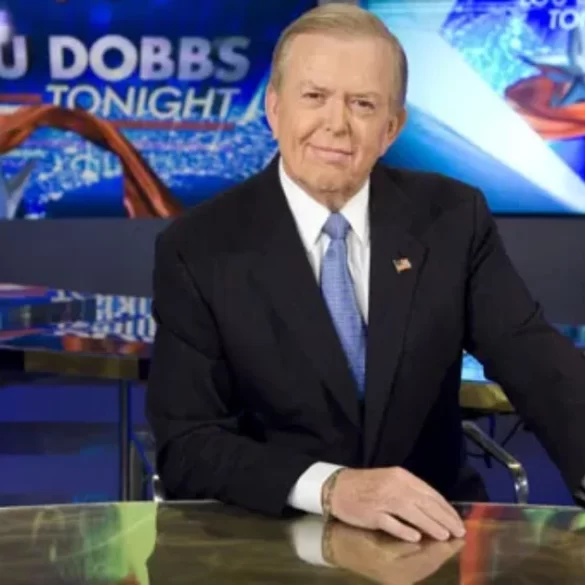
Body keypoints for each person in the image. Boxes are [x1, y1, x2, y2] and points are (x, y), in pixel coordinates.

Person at [146, 3, 585, 544]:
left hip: (430, 535)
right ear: (274, 108)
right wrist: (331, 488)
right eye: (314, 96)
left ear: (391, 128)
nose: (336, 124)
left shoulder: (451, 218)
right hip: (270, 537)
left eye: (363, 104)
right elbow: (188, 443)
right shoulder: (199, 248)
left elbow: (537, 362)